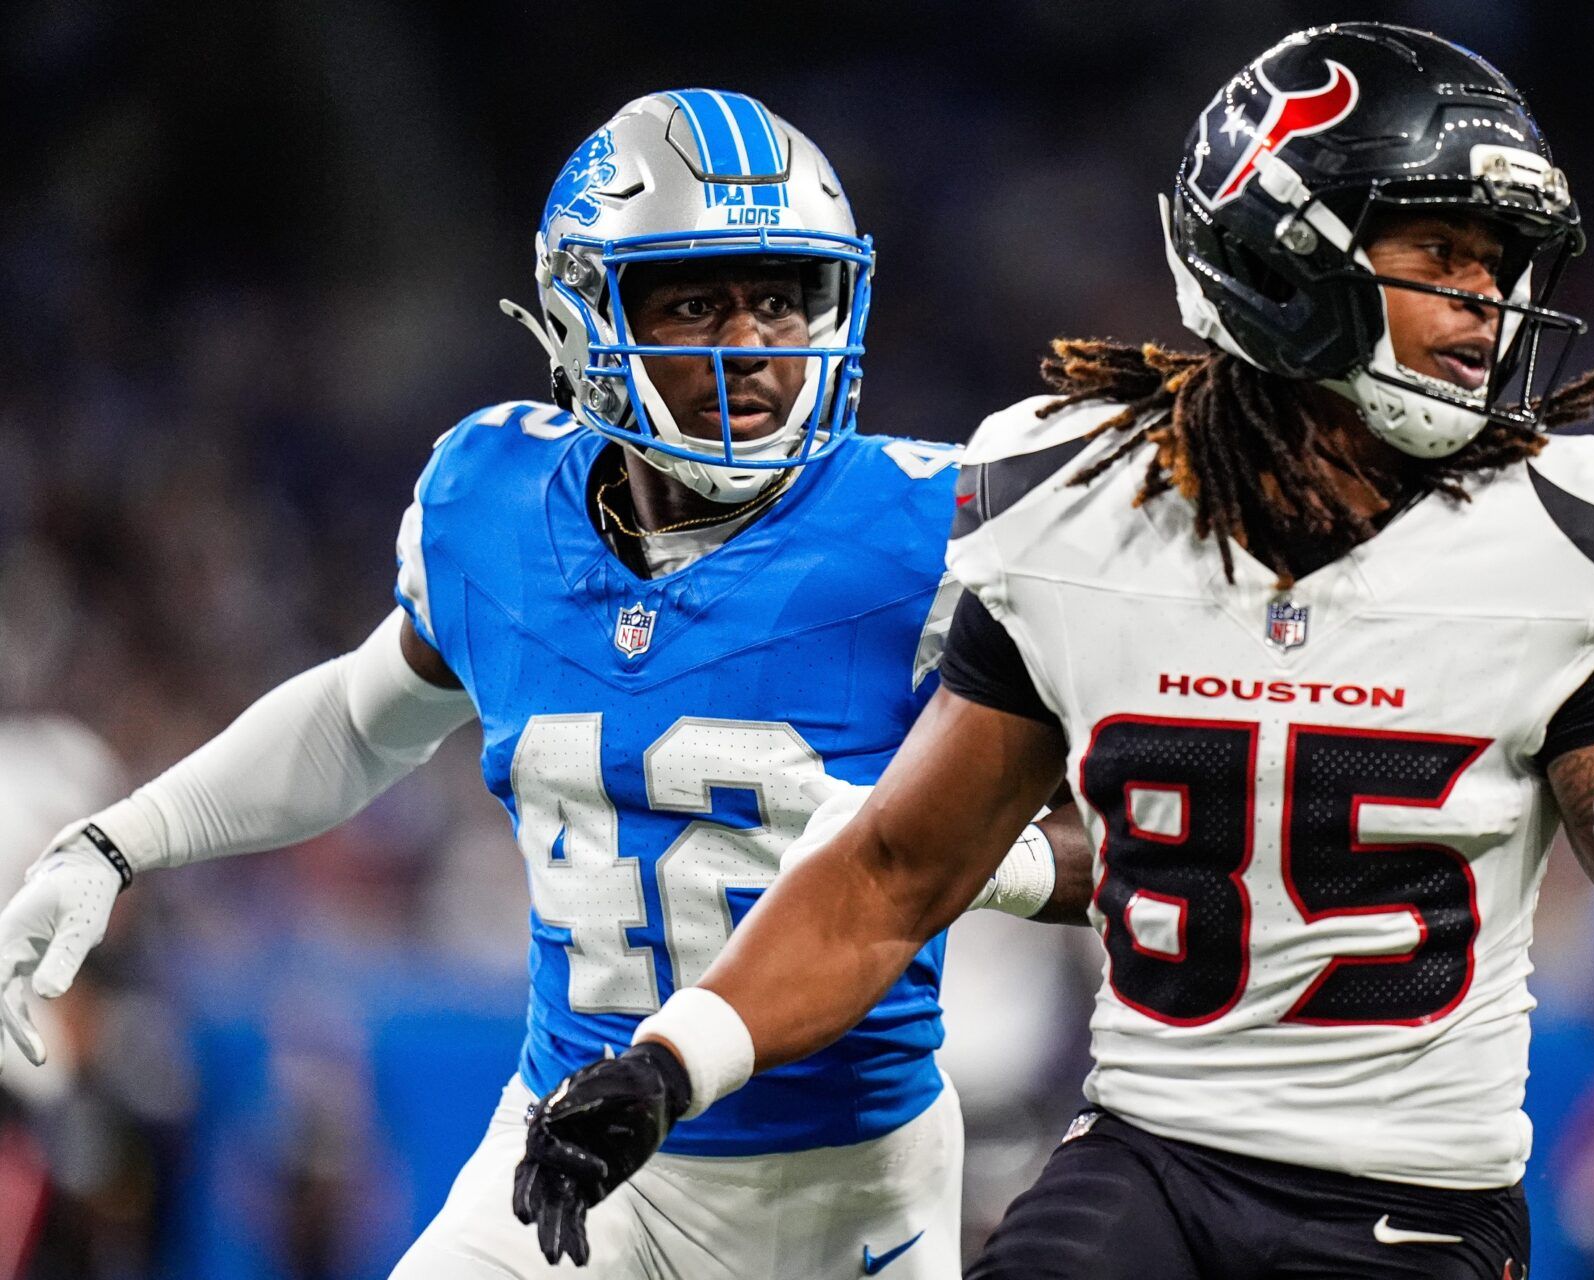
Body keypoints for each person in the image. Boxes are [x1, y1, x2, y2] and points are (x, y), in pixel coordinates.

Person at [506, 27, 1594, 1280]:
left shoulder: (1561, 539)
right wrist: (668, 1065)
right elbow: (894, 873)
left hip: (1414, 1202)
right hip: (1151, 1166)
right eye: (1443, 253)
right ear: (1285, 256)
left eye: (1503, 265)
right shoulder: (1081, 511)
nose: (1489, 302)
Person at [0, 89, 1089, 1280]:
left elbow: (1146, 829)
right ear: (584, 311)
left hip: (839, 1178)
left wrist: (948, 852)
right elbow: (361, 723)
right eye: (696, 300)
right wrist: (119, 842)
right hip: (567, 1147)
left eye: (780, 296)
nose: (752, 345)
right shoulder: (495, 498)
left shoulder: (938, 529)